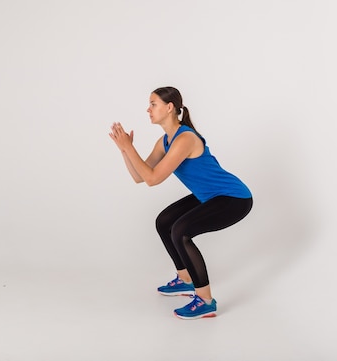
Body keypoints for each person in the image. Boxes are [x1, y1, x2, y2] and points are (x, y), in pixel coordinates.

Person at [108, 86, 252, 319]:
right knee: (164, 221)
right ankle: (185, 279)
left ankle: (206, 300)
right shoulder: (164, 141)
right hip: (209, 195)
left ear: (169, 107)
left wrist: (129, 147)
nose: (148, 109)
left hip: (234, 197)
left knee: (181, 231)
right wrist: (124, 150)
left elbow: (153, 179)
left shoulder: (185, 138)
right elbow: (139, 177)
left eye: (153, 104)